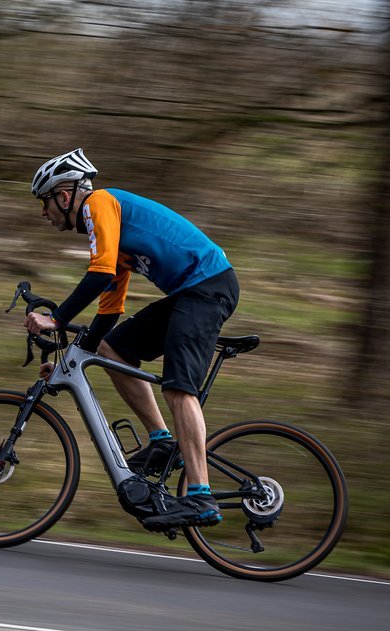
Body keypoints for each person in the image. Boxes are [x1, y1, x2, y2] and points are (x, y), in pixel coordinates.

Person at [24, 148, 239, 531]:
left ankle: (201, 496)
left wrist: (56, 319)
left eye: (45, 203)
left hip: (206, 288)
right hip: (190, 291)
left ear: (65, 195)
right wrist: (71, 357)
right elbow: (109, 310)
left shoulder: (100, 203)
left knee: (179, 389)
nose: (44, 213)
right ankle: (161, 440)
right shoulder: (110, 234)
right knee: (113, 348)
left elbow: (99, 274)